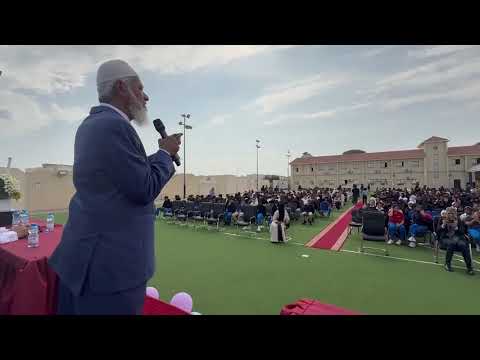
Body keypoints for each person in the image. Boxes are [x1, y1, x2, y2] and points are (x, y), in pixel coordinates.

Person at [49, 60, 181, 315]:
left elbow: (128, 176)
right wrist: (165, 155)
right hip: (109, 272)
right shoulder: (114, 126)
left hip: (88, 261)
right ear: (122, 87)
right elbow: (143, 188)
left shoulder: (96, 125)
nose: (146, 96)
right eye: (140, 88)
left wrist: (160, 154)